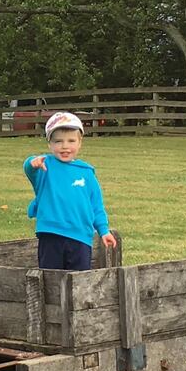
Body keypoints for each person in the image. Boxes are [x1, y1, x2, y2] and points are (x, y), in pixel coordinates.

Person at [23, 111, 116, 271]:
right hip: (51, 234)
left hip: (80, 237)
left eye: (71, 141)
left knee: (78, 281)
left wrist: (104, 230)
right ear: (49, 144)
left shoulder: (86, 172)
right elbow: (29, 169)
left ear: (80, 143)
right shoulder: (46, 166)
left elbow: (96, 205)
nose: (65, 146)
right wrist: (32, 163)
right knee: (51, 279)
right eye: (58, 141)